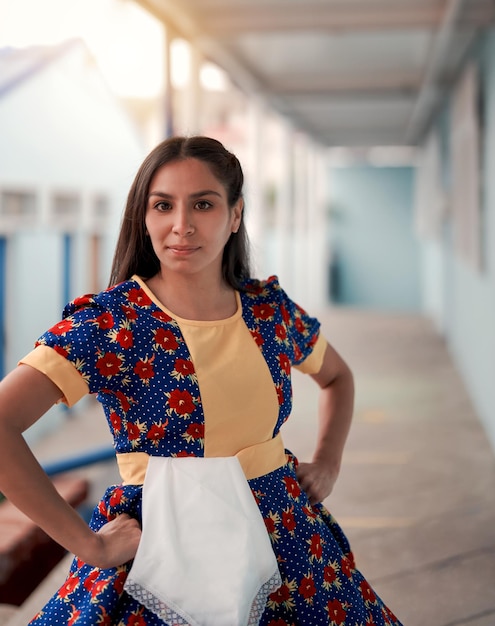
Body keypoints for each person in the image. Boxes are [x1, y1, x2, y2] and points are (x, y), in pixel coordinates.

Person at [0, 136, 402, 625]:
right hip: (161, 553)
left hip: (287, 541)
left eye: (204, 204)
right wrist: (89, 544)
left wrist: (329, 463)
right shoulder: (112, 325)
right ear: (143, 218)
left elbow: (337, 376)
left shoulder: (267, 310)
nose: (181, 225)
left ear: (235, 216)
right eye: (163, 205)